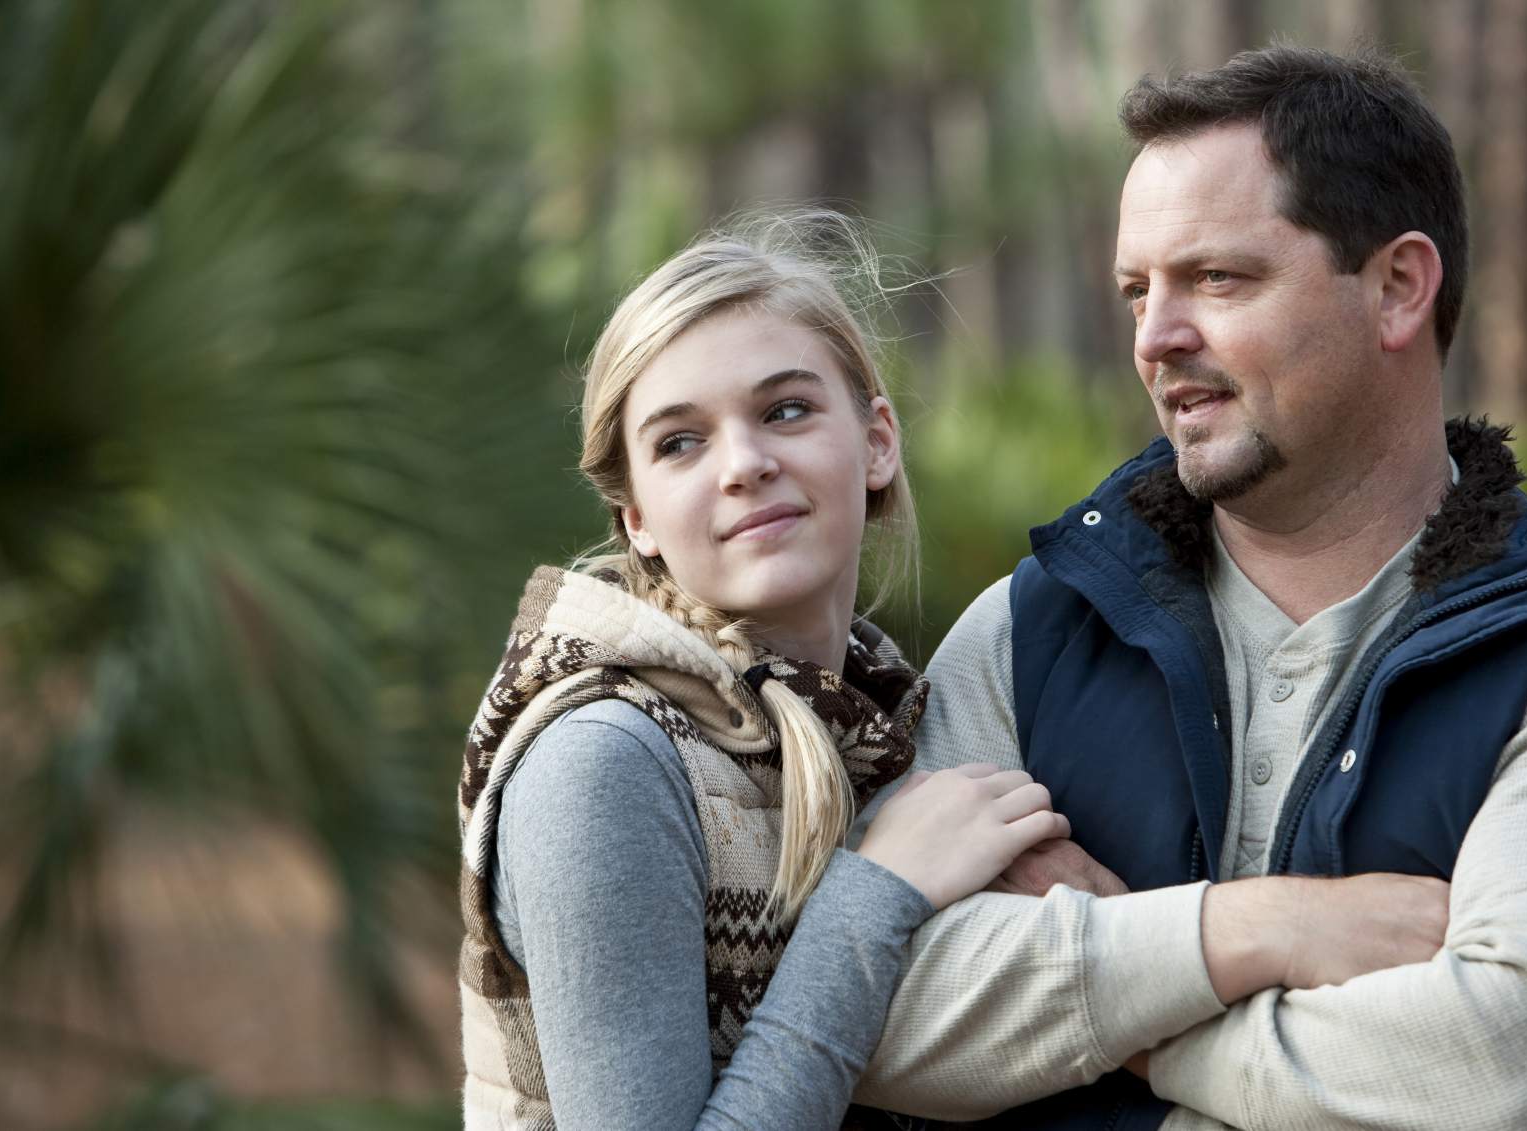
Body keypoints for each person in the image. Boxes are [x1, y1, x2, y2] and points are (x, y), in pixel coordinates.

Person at [849, 45, 1527, 1131]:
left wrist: (1120, 1011)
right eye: (1138, 290)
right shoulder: (1034, 626)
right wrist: (1250, 931)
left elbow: (1522, 1074)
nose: (1155, 338)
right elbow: (879, 1013)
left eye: (1217, 279)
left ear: (1397, 288)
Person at [452, 213, 1078, 1131]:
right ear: (637, 521)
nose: (745, 464)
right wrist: (878, 894)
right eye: (679, 442)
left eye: (785, 410)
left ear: (877, 442)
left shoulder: (887, 719)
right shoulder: (604, 761)